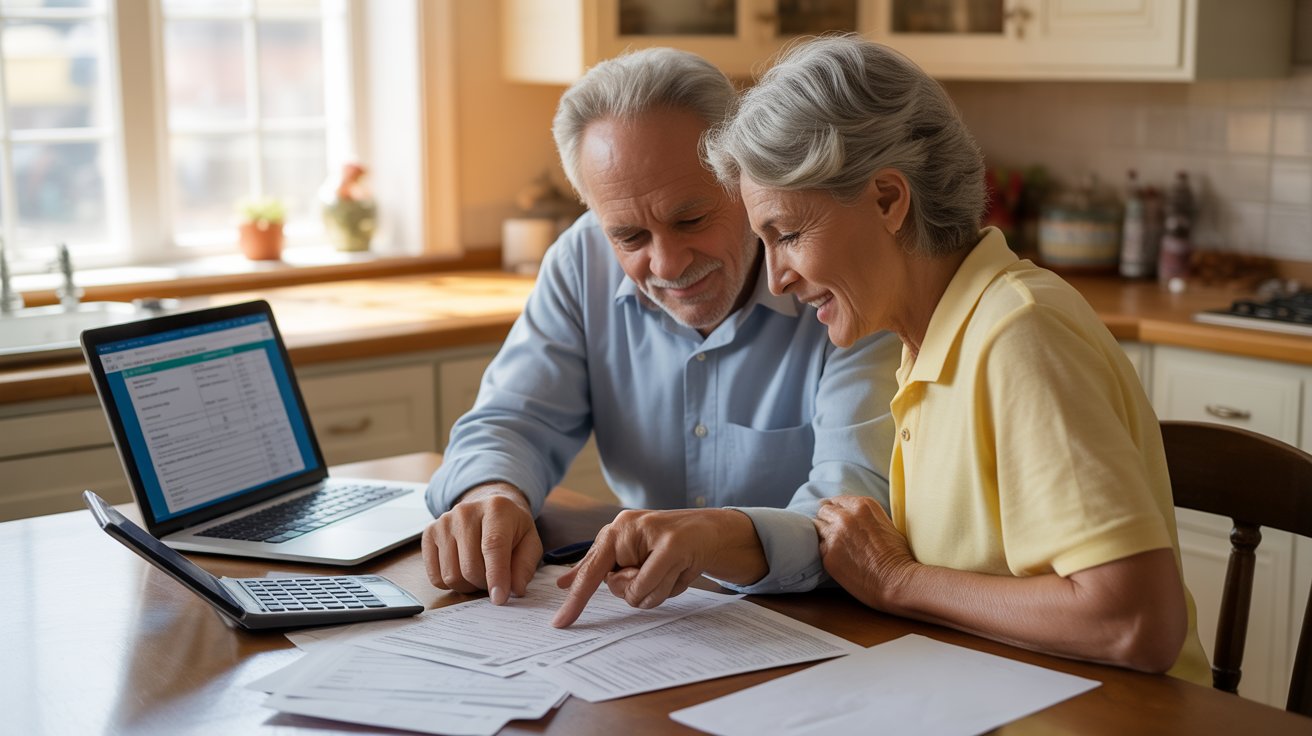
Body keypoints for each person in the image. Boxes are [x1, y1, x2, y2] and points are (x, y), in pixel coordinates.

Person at [702, 35, 1209, 681]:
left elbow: (1135, 622)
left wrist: (897, 578)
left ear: (888, 199)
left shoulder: (1020, 334)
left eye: (790, 234)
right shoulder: (926, 342)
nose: (777, 279)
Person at [422, 47, 900, 626]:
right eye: (629, 236)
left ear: (745, 179)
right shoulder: (580, 259)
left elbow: (853, 511)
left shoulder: (843, 276)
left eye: (690, 219)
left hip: (828, 623)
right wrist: (489, 496)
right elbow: (514, 420)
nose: (668, 264)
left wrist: (721, 539)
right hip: (655, 624)